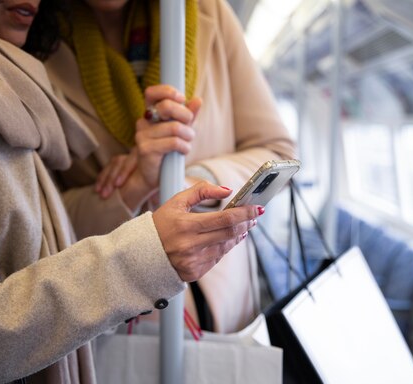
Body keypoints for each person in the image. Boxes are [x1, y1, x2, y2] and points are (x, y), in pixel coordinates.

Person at [0, 1, 260, 384]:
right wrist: (142, 241)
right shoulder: (33, 56)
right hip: (102, 325)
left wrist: (185, 180)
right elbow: (51, 237)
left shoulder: (11, 69)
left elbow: (40, 232)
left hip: (214, 296)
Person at [43, 0, 297, 333]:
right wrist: (132, 186)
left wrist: (189, 184)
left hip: (222, 295)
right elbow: (42, 225)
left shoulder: (210, 13)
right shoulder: (38, 44)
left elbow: (277, 151)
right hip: (118, 315)